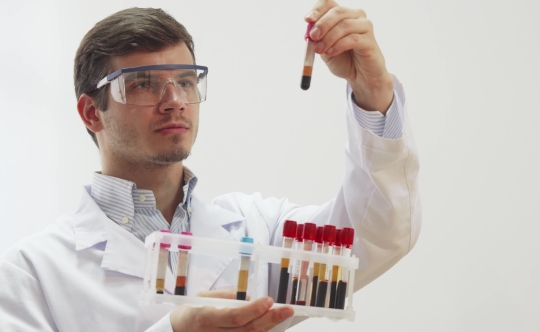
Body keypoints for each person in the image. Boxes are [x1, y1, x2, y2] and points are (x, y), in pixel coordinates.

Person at [0, 1, 421, 331]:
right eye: (144, 83)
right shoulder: (32, 273)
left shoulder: (259, 231)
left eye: (185, 80)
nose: (174, 100)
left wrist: (373, 90)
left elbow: (377, 233)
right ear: (92, 113)